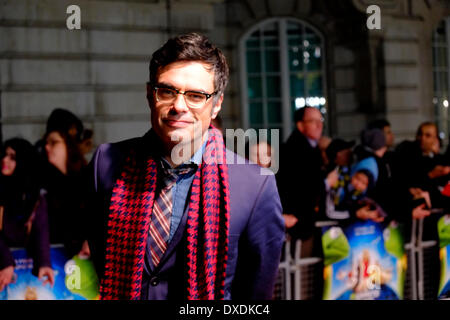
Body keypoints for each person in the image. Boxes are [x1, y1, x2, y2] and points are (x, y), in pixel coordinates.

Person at [85, 33, 285, 300]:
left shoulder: (256, 185)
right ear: (149, 95)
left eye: (195, 95)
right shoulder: (106, 163)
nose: (178, 106)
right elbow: (104, 261)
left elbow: (255, 296)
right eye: (167, 91)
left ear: (216, 105)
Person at [276, 106, 338, 257]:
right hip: (299, 227)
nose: (319, 125)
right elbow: (301, 188)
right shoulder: (294, 150)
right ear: (300, 125)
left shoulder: (312, 148)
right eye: (313, 121)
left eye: (320, 120)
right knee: (301, 273)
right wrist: (326, 183)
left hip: (309, 225)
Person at [0, 138, 54, 292]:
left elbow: (41, 230)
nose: (4, 160)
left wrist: (44, 263)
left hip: (17, 271)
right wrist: (5, 262)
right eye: (4, 155)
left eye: (12, 157)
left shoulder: (35, 197)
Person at [42, 128, 88, 258]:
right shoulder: (45, 183)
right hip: (56, 259)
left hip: (85, 258)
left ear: (68, 146)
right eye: (46, 142)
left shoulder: (86, 177)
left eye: (54, 142)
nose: (47, 146)